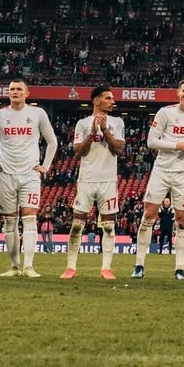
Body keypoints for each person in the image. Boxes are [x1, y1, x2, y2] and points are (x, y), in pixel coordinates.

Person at [135, 78, 184, 280]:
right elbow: (151, 141)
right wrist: (177, 145)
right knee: (149, 214)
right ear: (178, 93)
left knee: (182, 220)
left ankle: (180, 268)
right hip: (162, 170)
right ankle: (139, 265)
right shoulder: (165, 112)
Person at [0, 79, 58, 277]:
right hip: (6, 174)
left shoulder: (37, 114)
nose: (15, 92)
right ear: (8, 93)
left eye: (19, 89)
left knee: (29, 218)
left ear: (27, 93)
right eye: (12, 89)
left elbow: (52, 141)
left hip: (30, 174)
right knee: (9, 221)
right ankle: (14, 267)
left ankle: (29, 266)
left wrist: (45, 166)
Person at [65, 87, 126, 281]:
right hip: (86, 180)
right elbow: (78, 152)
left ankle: (106, 268)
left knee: (108, 227)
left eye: (112, 98)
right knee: (77, 226)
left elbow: (118, 149)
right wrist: (92, 134)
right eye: (108, 98)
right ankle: (70, 268)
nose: (112, 101)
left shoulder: (117, 122)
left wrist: (105, 130)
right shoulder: (83, 123)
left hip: (108, 180)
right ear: (96, 101)